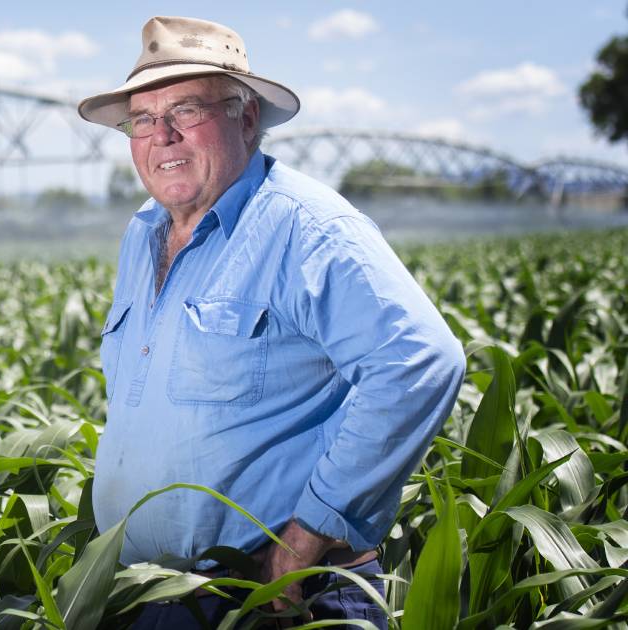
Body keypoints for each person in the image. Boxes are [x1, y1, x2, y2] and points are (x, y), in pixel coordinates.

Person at [77, 16, 466, 628]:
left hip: (271, 599)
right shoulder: (143, 230)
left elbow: (420, 362)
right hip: (148, 596)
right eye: (142, 119)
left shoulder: (306, 228)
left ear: (247, 116)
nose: (163, 135)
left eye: (186, 110)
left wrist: (304, 542)